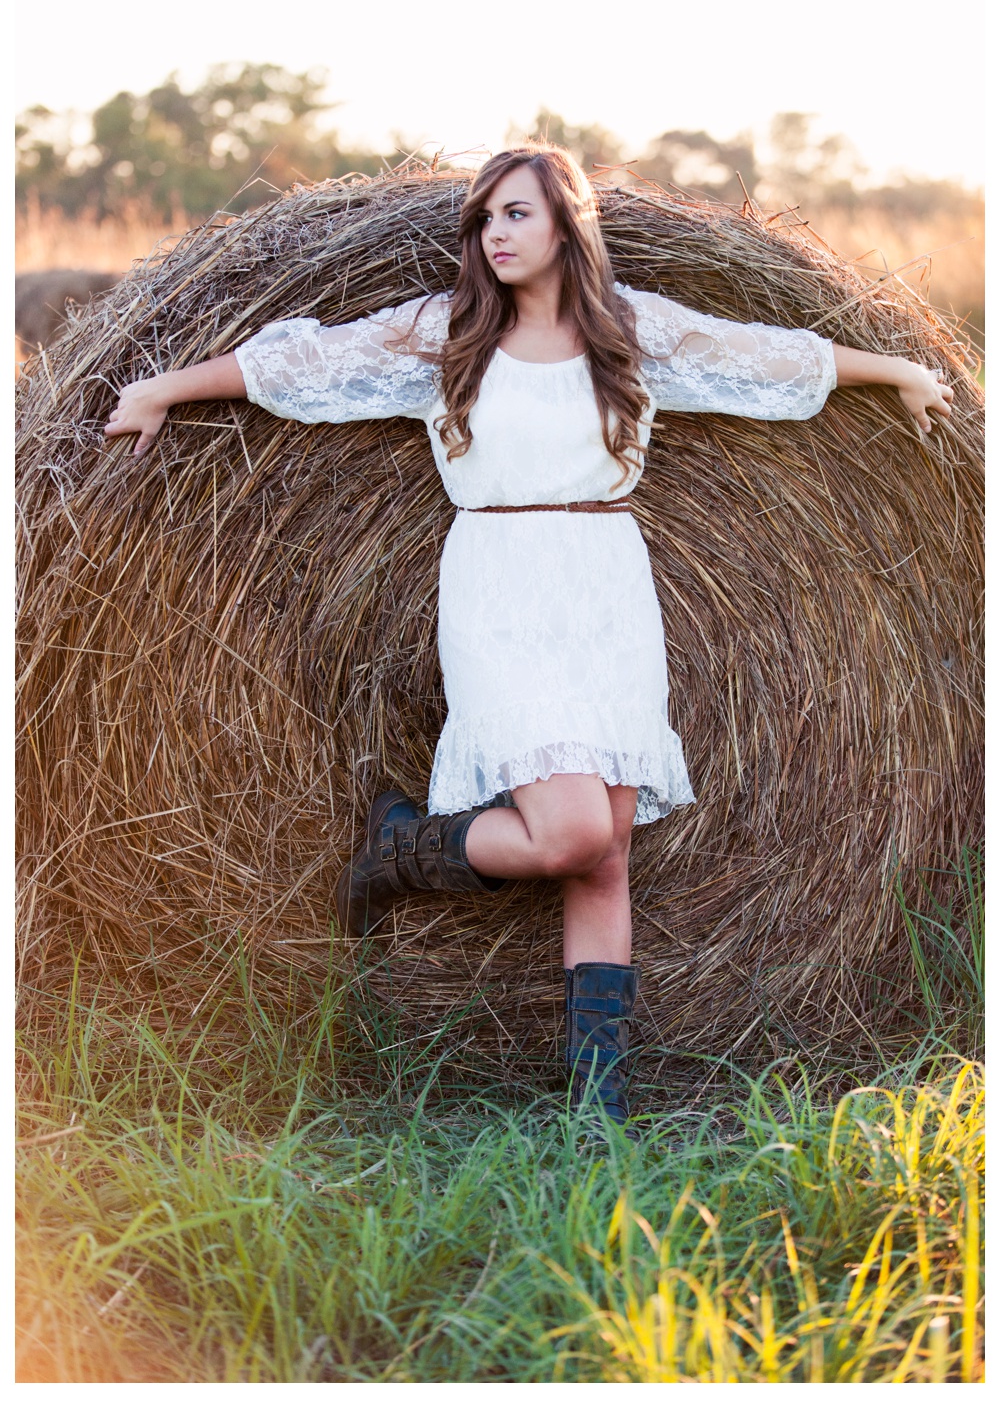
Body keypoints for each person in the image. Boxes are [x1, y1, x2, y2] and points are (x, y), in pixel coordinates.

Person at [104, 144, 953, 1128]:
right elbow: (307, 359)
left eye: (513, 215)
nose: (494, 236)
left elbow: (757, 354)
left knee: (605, 854)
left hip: (608, 589)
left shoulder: (627, 333)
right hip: (499, 586)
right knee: (572, 828)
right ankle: (404, 846)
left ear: (566, 226)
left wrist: (891, 370)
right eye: (484, 221)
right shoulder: (447, 333)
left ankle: (599, 1101)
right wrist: (165, 389)